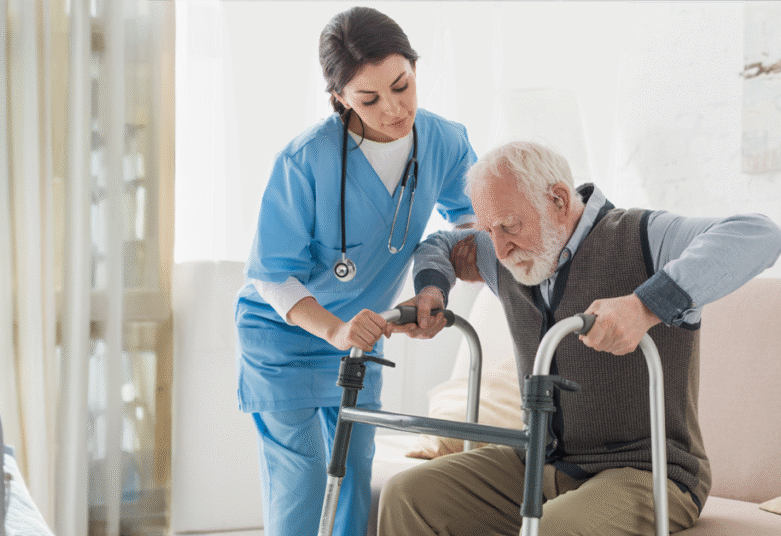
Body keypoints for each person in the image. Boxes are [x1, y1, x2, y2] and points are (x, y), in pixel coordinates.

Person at [380, 141, 781, 535]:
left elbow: (759, 234)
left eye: (510, 226)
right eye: (488, 229)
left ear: (557, 199)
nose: (499, 247)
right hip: (543, 459)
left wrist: (645, 306)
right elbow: (442, 243)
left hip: (650, 472)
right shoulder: (508, 254)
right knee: (407, 494)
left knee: (558, 526)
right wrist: (433, 290)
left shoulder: (643, 237)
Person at [234, 6, 479, 536]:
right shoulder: (304, 160)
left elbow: (470, 220)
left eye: (402, 85)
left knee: (351, 486)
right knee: (300, 490)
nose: (393, 109)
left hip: (364, 337)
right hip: (285, 337)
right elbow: (273, 275)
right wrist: (334, 328)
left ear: (415, 66)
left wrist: (432, 288)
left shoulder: (445, 141)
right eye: (368, 99)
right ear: (340, 97)